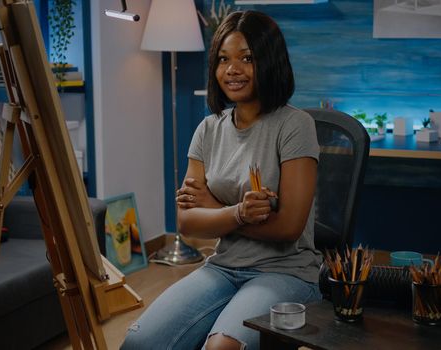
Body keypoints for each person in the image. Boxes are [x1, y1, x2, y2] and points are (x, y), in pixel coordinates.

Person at [121, 10, 321, 350]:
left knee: (221, 348)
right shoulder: (208, 129)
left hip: (285, 272)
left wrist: (215, 211)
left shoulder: (295, 125)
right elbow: (187, 222)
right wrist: (238, 213)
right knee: (140, 343)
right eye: (223, 59)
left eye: (247, 58)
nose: (233, 70)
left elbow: (288, 227)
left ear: (269, 62)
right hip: (222, 268)